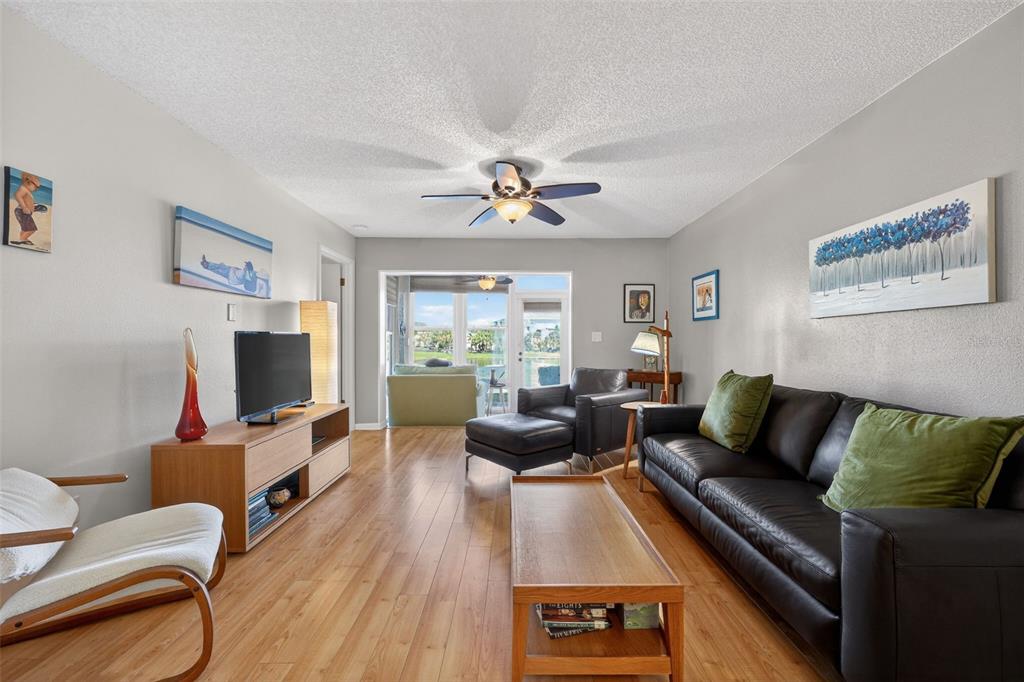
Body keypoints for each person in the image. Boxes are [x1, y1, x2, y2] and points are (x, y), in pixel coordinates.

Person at [201, 254, 266, 295]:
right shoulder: (249, 276)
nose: (244, 267)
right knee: (219, 269)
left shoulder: (247, 274)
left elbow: (243, 274)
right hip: (232, 276)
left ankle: (207, 265)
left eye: (245, 266)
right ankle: (207, 265)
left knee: (220, 268)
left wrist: (236, 269)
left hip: (230, 274)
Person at [10, 173, 44, 246]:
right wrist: (24, 207)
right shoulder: (23, 188)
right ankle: (22, 240)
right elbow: (18, 196)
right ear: (29, 182)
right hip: (22, 211)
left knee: (25, 228)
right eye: (36, 186)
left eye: (38, 187)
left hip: (24, 212)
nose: (37, 189)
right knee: (32, 229)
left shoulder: (27, 191)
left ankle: (22, 239)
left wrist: (35, 207)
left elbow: (28, 202)